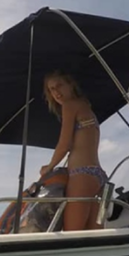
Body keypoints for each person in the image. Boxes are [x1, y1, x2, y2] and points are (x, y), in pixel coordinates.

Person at [39, 70, 107, 231]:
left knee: (73, 234)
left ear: (71, 84)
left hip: (81, 174)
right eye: (51, 89)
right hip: (98, 175)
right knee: (94, 237)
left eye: (59, 86)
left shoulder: (70, 106)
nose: (56, 92)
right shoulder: (85, 106)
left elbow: (65, 144)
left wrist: (48, 168)